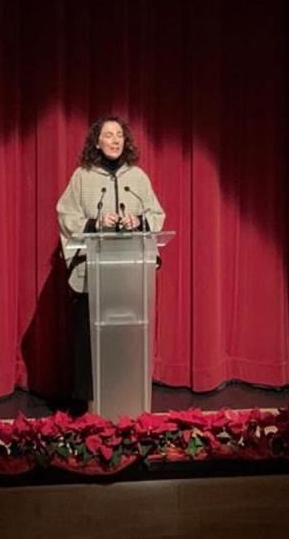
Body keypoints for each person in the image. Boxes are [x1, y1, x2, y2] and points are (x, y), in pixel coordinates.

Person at [55, 116, 165, 409]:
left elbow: (157, 215)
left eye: (119, 135)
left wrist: (138, 221)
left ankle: (128, 401)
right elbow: (66, 214)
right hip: (93, 276)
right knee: (90, 341)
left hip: (129, 277)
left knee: (126, 340)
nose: (115, 140)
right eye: (108, 135)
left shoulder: (138, 177)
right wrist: (96, 223)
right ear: (96, 142)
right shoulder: (83, 177)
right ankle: (93, 407)